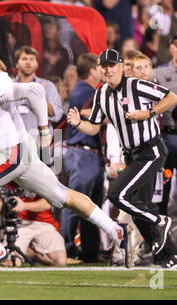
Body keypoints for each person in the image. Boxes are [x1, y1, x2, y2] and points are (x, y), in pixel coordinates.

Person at [0, 45, 129, 277]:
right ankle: (115, 230)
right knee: (61, 195)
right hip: (15, 152)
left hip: (10, 151)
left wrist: (43, 131)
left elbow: (34, 92)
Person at [67, 48, 177, 269]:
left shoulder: (136, 85)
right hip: (133, 156)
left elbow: (171, 97)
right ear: (98, 69)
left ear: (120, 67)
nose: (108, 70)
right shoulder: (101, 94)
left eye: (112, 65)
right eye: (104, 66)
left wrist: (148, 113)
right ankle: (170, 257)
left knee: (117, 194)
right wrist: (79, 123)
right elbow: (94, 127)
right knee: (139, 211)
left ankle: (159, 221)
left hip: (151, 150)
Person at [60, 53, 104, 262]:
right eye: (100, 67)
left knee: (92, 207)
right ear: (93, 71)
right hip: (82, 153)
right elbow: (99, 115)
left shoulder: (86, 90)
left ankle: (90, 251)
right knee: (75, 204)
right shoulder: (84, 91)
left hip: (91, 154)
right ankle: (67, 249)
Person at [0, 183, 67, 267]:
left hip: (43, 222)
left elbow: (47, 203)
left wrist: (24, 206)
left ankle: (31, 253)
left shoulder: (44, 173)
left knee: (60, 261)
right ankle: (23, 250)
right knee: (12, 263)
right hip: (18, 223)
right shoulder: (8, 173)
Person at [13, 45, 63, 147]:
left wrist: (41, 98)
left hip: (39, 145)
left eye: (32, 59)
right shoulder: (10, 86)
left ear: (37, 64)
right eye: (24, 59)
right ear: (17, 64)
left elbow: (56, 115)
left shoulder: (47, 86)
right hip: (13, 145)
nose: (28, 62)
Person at [151, 34, 177, 217]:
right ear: (171, 48)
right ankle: (161, 227)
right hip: (167, 135)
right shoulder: (158, 73)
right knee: (163, 185)